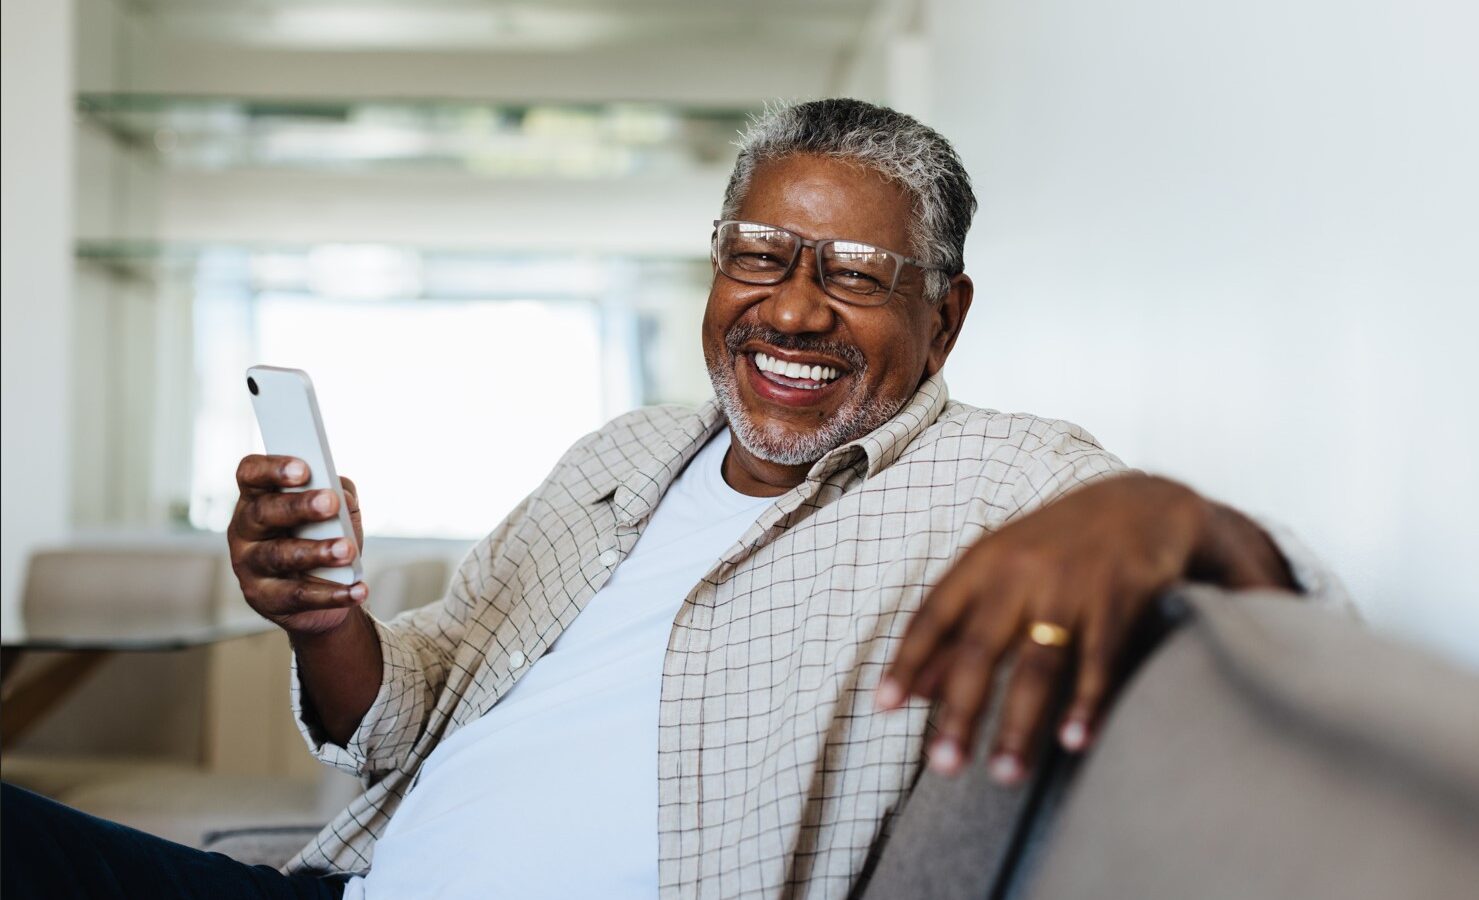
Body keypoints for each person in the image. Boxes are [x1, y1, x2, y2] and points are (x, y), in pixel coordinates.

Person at [2, 98, 1339, 900]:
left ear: (946, 317)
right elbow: (398, 712)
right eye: (759, 255)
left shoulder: (1011, 476)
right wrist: (321, 617)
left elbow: (1293, 605)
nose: (794, 307)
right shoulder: (620, 456)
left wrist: (1157, 505)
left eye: (858, 275)